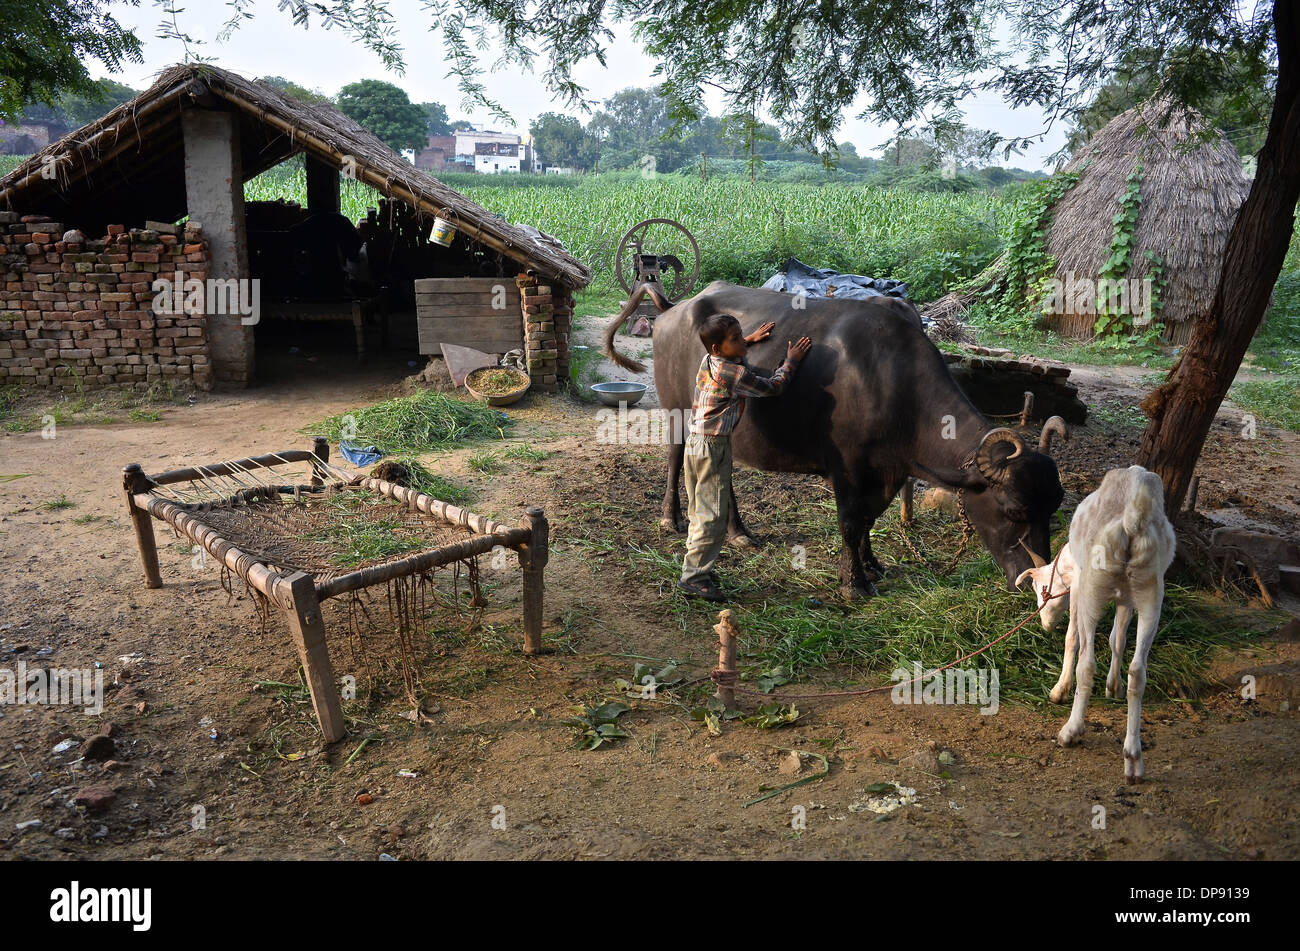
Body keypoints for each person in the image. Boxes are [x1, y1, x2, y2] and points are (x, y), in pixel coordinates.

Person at [677, 313, 812, 601]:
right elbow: (774, 386)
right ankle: (694, 578)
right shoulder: (735, 374)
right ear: (718, 349)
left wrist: (747, 341)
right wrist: (792, 361)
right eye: (735, 339)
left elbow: (729, 354)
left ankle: (696, 566)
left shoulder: (708, 361)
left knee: (699, 509)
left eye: (741, 336)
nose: (743, 341)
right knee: (713, 514)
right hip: (713, 447)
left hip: (695, 443)